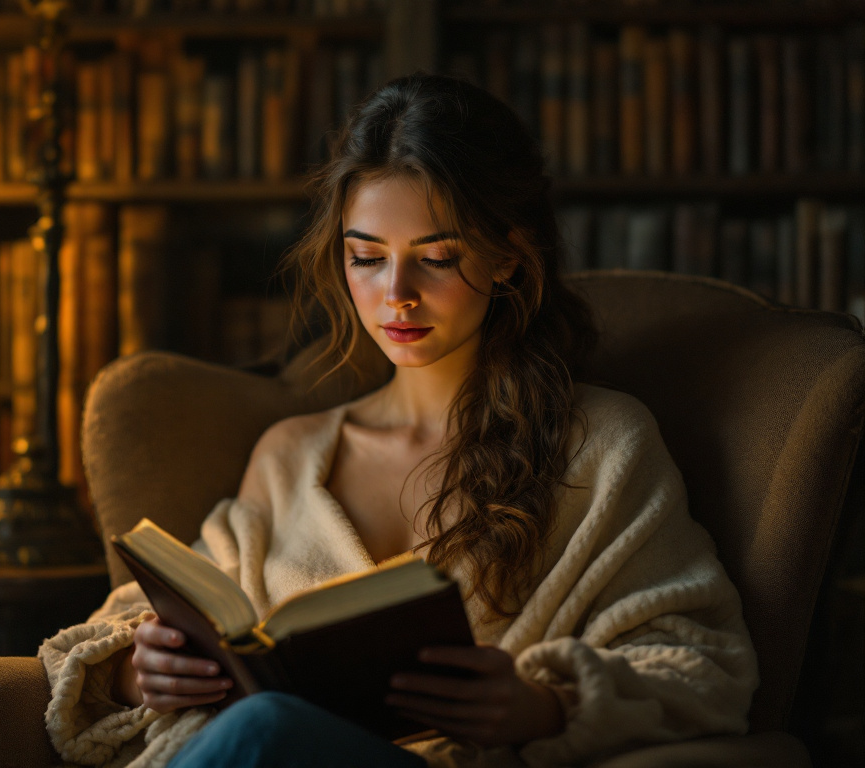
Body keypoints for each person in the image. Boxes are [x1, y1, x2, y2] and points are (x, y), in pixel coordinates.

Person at [39, 73, 758, 768]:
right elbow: (147, 620)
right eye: (366, 258)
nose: (396, 296)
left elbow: (702, 663)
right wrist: (145, 670)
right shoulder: (292, 456)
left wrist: (542, 706)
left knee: (267, 727)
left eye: (437, 258)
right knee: (266, 726)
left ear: (509, 255)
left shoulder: (601, 446)